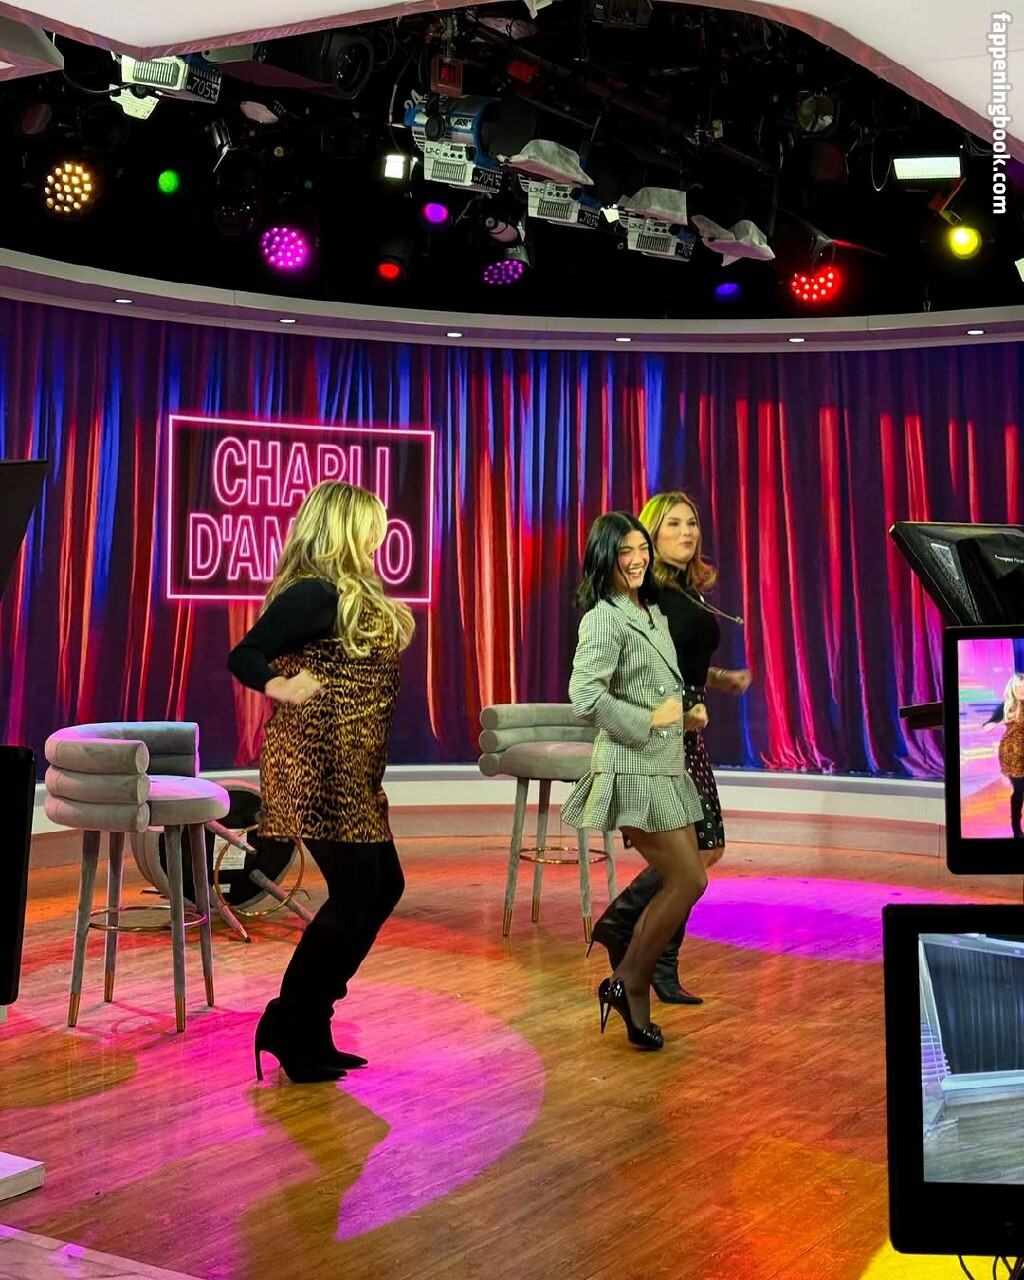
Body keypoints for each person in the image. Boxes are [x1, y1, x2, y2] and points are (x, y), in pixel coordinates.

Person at [227, 480, 414, 1083]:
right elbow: (246, 654)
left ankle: (309, 1020)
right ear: (346, 526)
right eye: (373, 522)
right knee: (360, 892)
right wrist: (278, 685)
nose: (382, 532)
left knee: (383, 887)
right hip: (317, 765)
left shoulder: (351, 595)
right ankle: (291, 1021)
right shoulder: (314, 591)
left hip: (354, 767)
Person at [588, 491, 752, 1004]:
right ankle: (638, 943)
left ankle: (641, 944)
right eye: (674, 524)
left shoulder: (685, 591)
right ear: (651, 535)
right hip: (662, 733)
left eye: (692, 523)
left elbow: (680, 658)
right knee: (697, 854)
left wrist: (719, 679)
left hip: (688, 730)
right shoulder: (649, 592)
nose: (687, 532)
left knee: (704, 849)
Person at [561, 510, 709, 1051]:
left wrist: (682, 717)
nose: (638, 558)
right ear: (605, 558)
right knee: (688, 881)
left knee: (688, 879)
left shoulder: (650, 613)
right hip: (630, 770)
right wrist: (649, 719)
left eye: (642, 547)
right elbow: (585, 696)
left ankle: (628, 978)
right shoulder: (603, 618)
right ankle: (630, 982)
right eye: (625, 550)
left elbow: (652, 689)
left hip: (664, 767)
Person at [984, 674, 1024, 837]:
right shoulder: (1006, 706)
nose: (1022, 690)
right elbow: (987, 725)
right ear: (1013, 688)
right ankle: (1017, 829)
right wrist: (993, 724)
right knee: (1020, 789)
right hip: (1012, 752)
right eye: (1019, 687)